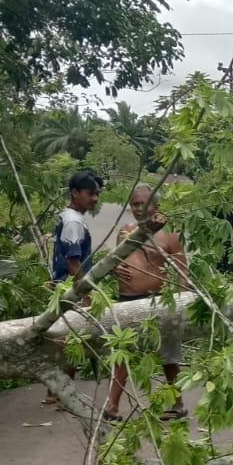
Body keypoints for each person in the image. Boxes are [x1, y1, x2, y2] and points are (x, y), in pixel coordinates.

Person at [103, 185, 190, 421]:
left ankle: (177, 403)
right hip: (126, 301)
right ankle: (111, 406)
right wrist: (115, 270)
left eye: (144, 203)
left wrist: (182, 299)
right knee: (122, 352)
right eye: (135, 204)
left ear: (156, 205)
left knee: (168, 355)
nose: (139, 208)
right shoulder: (125, 231)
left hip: (157, 302)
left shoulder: (169, 233)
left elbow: (182, 269)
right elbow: (112, 262)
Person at [43, 170, 100, 405]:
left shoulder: (67, 217)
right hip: (71, 290)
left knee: (65, 339)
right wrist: (85, 292)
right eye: (90, 193)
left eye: (97, 194)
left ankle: (56, 393)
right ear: (75, 193)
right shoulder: (74, 221)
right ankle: (61, 394)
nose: (95, 199)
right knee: (72, 340)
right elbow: (72, 261)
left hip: (62, 286)